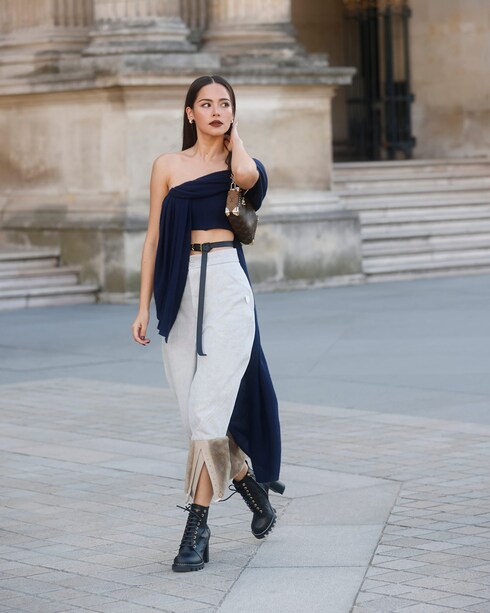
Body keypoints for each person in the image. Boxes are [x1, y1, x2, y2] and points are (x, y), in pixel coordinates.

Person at [131, 75, 283, 573]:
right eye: (206, 104)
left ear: (233, 114)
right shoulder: (167, 166)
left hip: (226, 283)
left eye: (225, 104)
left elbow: (248, 174)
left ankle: (195, 530)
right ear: (189, 112)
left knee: (208, 413)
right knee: (195, 416)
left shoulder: (241, 168)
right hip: (179, 287)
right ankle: (249, 487)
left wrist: (235, 138)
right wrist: (142, 306)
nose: (216, 111)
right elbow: (153, 239)